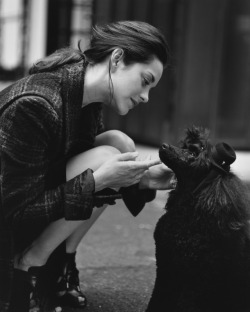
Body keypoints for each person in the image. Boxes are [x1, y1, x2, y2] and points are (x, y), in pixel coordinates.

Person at [0, 20, 172, 312]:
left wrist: (143, 180)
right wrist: (98, 180)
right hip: (8, 225)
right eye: (145, 81)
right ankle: (26, 266)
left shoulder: (86, 98)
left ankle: (59, 267)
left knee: (120, 145)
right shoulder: (35, 103)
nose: (145, 97)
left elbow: (71, 169)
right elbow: (14, 209)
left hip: (29, 207)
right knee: (107, 160)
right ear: (117, 59)